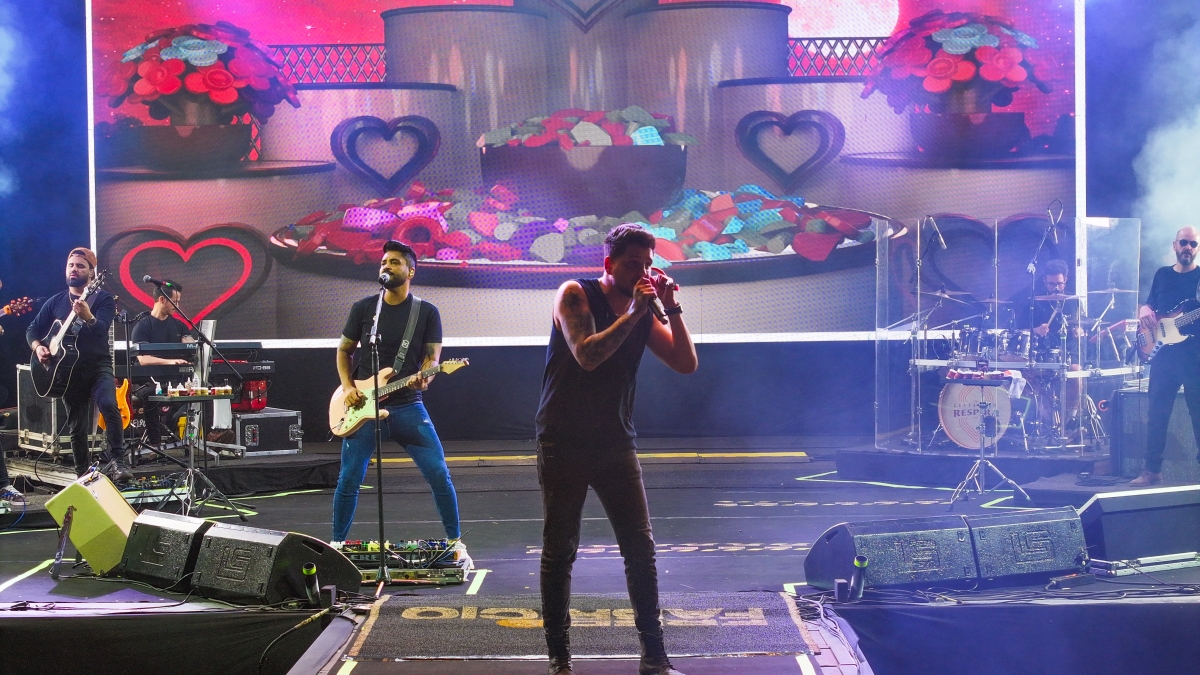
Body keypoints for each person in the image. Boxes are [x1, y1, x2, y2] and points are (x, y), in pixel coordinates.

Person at [535, 224, 698, 675]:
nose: (641, 272)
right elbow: (587, 356)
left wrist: (671, 307)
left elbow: (685, 363)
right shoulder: (575, 294)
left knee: (640, 548)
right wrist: (635, 312)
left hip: (614, 439)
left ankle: (655, 657)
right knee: (560, 548)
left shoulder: (642, 308)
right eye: (632, 264)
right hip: (563, 437)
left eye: (648, 265)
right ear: (608, 264)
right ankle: (559, 659)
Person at [332, 240, 461, 552]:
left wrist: (425, 377)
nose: (386, 266)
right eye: (383, 262)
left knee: (439, 473)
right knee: (349, 478)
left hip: (407, 406)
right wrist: (348, 388)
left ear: (410, 271)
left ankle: (455, 542)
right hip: (363, 407)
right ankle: (336, 544)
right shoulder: (365, 309)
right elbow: (344, 351)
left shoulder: (426, 312)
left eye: (394, 262)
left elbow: (432, 359)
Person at [26, 248, 131, 482]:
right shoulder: (55, 301)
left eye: (80, 266)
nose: (74, 269)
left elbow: (101, 330)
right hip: (68, 372)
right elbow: (32, 329)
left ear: (92, 273)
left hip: (97, 367)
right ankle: (82, 475)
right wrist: (38, 347)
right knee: (76, 426)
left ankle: (118, 461)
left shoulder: (102, 299)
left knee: (109, 404)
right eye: (71, 265)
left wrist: (88, 317)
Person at [1132, 226, 1200, 486]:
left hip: (1194, 357)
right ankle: (1152, 471)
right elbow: (1150, 303)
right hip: (1163, 356)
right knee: (1157, 415)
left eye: (1193, 244)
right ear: (1175, 245)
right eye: (1184, 242)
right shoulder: (1162, 274)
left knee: (1199, 415)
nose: (1188, 248)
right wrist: (1144, 309)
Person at [130, 280, 194, 446]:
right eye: (175, 302)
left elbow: (190, 345)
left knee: (204, 391)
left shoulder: (179, 325)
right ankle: (155, 444)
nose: (177, 306)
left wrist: (193, 344)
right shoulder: (142, 326)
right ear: (162, 299)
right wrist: (170, 361)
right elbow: (143, 359)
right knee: (151, 395)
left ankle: (202, 437)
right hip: (148, 382)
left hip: (176, 381)